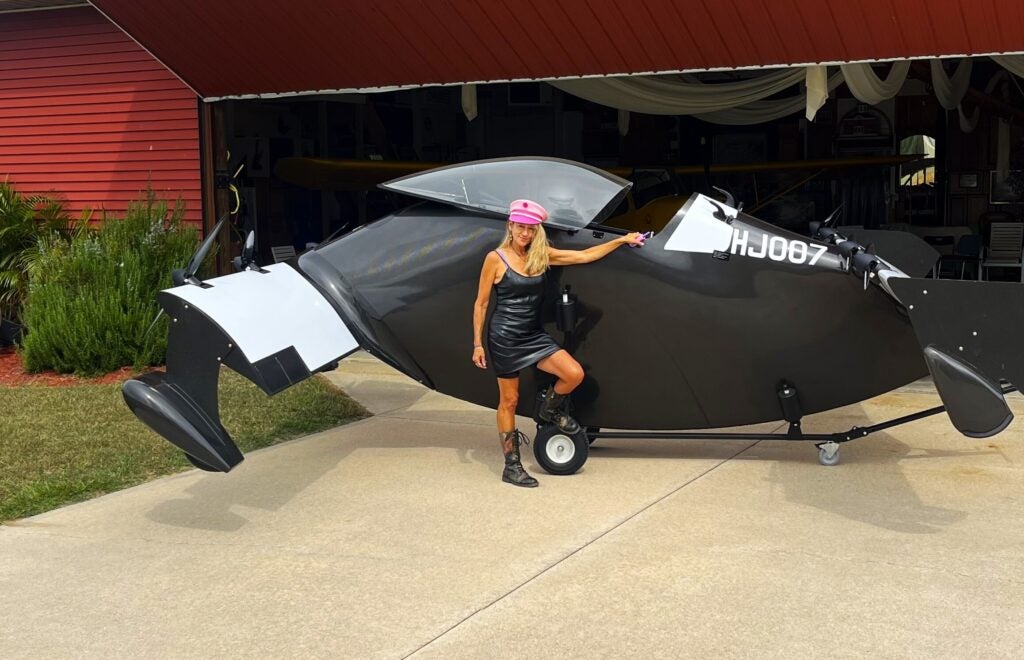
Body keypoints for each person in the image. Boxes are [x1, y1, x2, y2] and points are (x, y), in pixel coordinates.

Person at [472, 199, 646, 487]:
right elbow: (481, 304)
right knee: (509, 401)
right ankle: (512, 466)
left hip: (533, 335)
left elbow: (585, 257)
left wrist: (622, 240)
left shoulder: (542, 256)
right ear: (511, 226)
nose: (525, 234)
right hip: (504, 337)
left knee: (573, 373)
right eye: (521, 227)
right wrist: (478, 344)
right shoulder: (496, 258)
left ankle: (549, 410)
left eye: (531, 229)